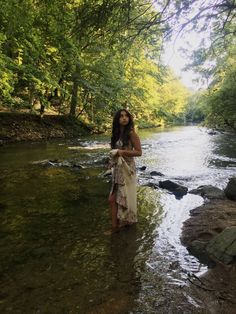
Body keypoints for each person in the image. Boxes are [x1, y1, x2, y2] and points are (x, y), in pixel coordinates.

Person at [108, 109, 142, 232]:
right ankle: (115, 227)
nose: (124, 118)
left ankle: (121, 226)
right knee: (112, 200)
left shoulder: (131, 133)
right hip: (117, 169)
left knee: (123, 199)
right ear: (117, 119)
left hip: (128, 170)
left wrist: (122, 152)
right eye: (121, 116)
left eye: (126, 116)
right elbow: (115, 152)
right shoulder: (116, 134)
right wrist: (111, 162)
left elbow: (139, 152)